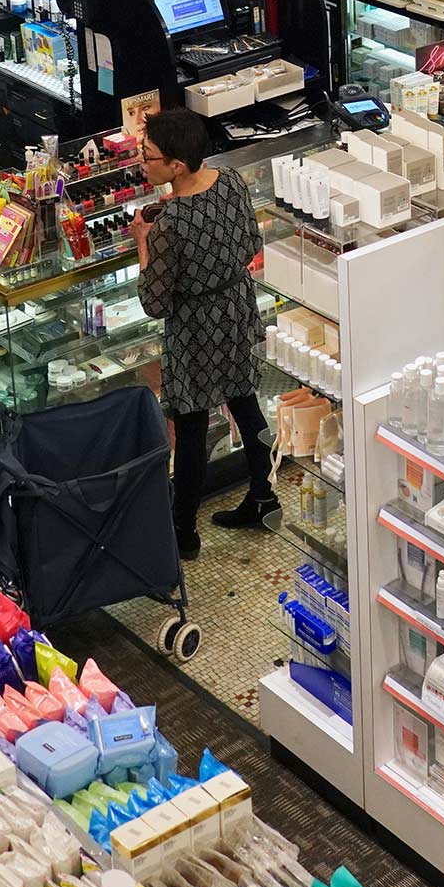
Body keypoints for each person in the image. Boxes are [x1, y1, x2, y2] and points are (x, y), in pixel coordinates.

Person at [133, 106, 275, 557]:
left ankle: (184, 534)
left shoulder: (169, 224)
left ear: (177, 165)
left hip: (194, 328)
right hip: (235, 309)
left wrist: (143, 240)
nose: (142, 160)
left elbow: (154, 301)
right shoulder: (230, 180)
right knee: (246, 404)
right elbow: (252, 242)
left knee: (191, 427)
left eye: (148, 155)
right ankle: (263, 498)